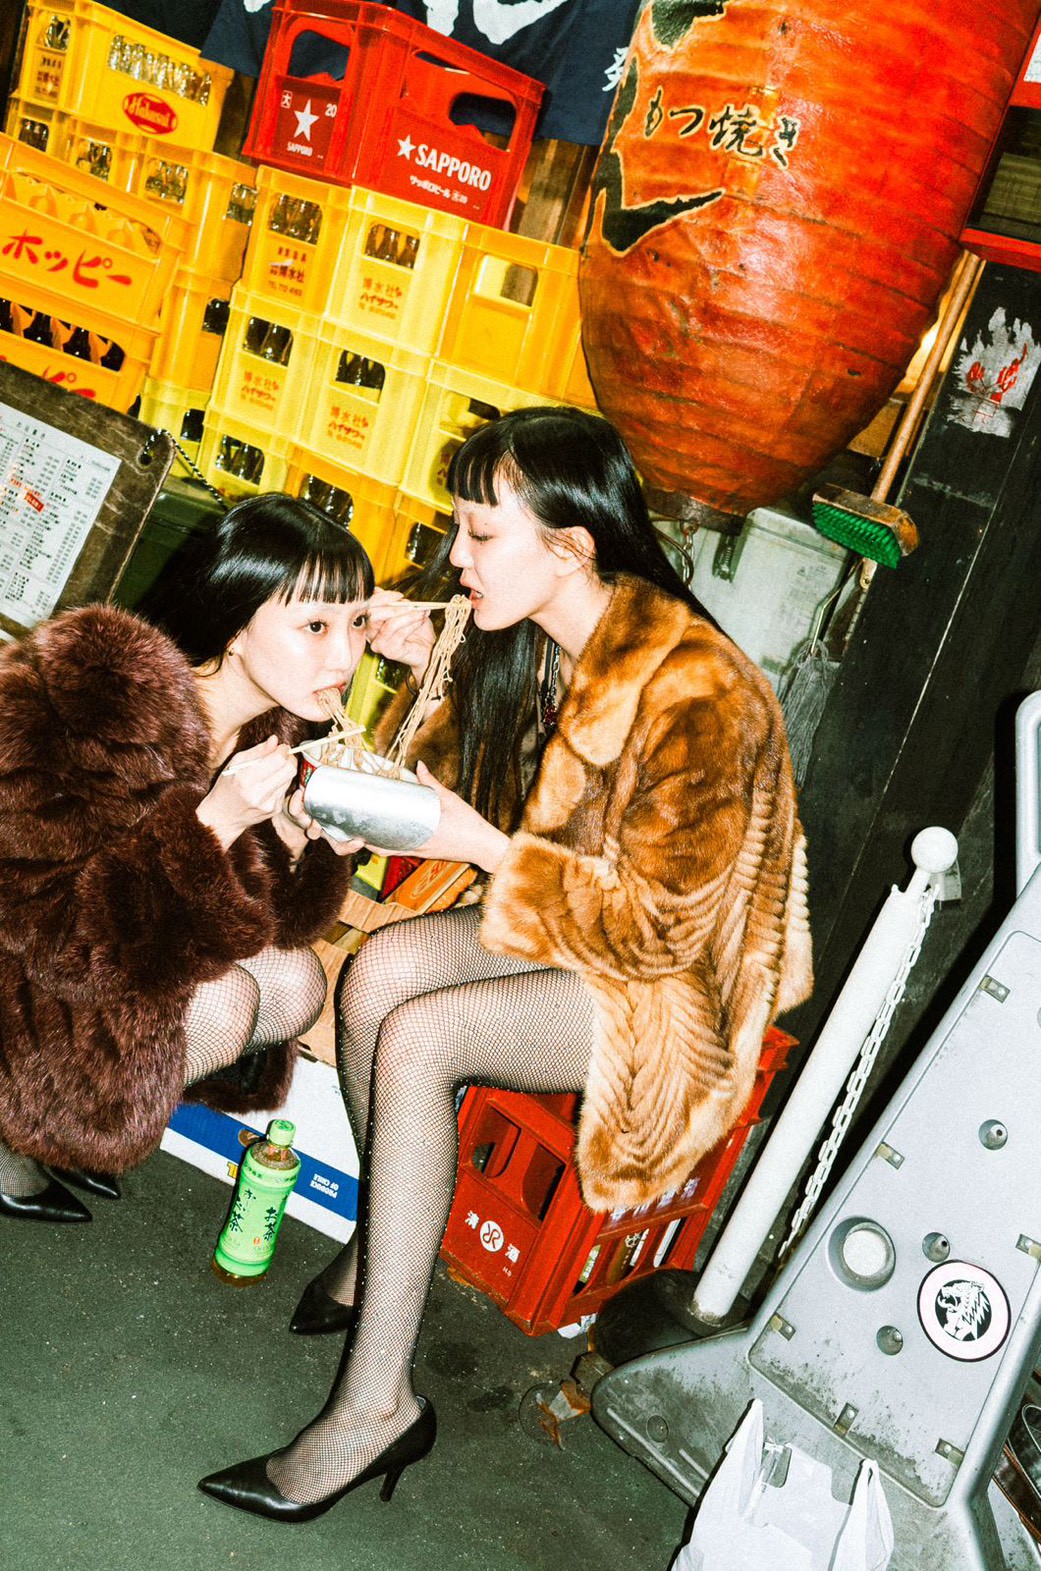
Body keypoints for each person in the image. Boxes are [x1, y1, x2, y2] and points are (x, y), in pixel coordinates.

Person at [198, 407, 813, 1521]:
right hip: (569, 923)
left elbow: (659, 937)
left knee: (421, 1034)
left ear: (570, 547)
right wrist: (411, 647)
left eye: (479, 534)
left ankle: (375, 1407)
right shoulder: (548, 632)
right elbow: (463, 712)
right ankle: (387, 1249)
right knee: (381, 971)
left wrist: (480, 845)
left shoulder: (701, 691)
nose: (457, 557)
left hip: (673, 989)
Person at [0, 492, 373, 1222]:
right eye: (316, 625)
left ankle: (47, 1138)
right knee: (227, 1004)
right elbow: (56, 939)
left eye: (358, 622)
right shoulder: (90, 705)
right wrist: (211, 827)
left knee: (294, 982)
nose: (346, 655)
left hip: (95, 969)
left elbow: (263, 927)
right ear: (235, 626)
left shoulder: (273, 727)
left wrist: (301, 840)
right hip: (18, 978)